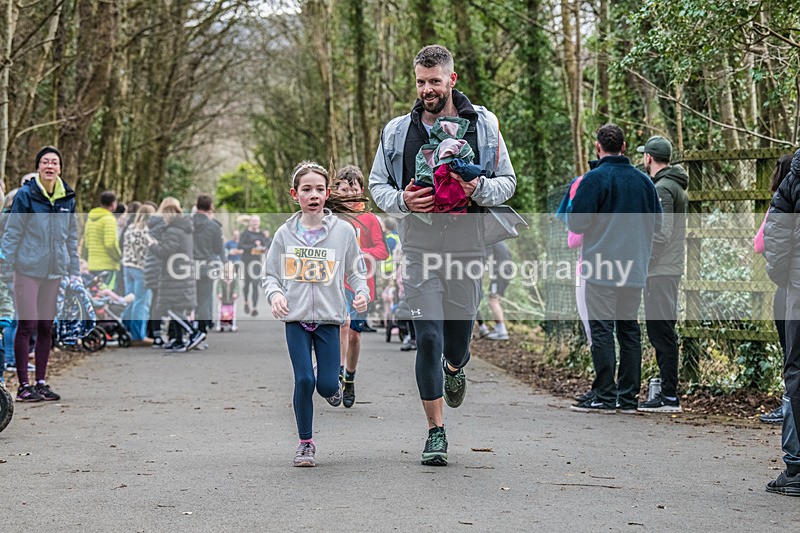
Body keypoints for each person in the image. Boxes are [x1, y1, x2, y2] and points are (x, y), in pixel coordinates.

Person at [369, 45, 516, 466]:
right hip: (418, 248)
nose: (427, 89)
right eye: (420, 81)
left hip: (468, 246)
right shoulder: (398, 131)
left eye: (435, 81)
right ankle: (436, 432)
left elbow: (508, 182)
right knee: (427, 337)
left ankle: (456, 368)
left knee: (456, 341)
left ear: (452, 79)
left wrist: (479, 189)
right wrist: (402, 201)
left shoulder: (483, 125)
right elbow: (378, 187)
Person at [264, 161, 369, 467]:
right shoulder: (285, 233)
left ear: (327, 194)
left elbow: (357, 271)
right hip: (295, 319)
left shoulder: (344, 231)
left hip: (328, 319)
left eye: (320, 189)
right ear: (294, 194)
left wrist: (361, 292)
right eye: (307, 189)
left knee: (325, 385)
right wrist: (276, 296)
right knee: (304, 381)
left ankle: (333, 386)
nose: (314, 195)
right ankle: (305, 444)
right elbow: (270, 274)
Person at [567, 124, 661, 414]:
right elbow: (657, 224)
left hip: (601, 267)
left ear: (598, 147)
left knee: (603, 329)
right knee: (629, 330)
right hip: (634, 268)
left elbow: (576, 223)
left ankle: (606, 396)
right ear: (624, 146)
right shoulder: (644, 182)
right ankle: (629, 397)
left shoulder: (594, 179)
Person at [1, 146, 81, 402]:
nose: (50, 166)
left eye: (54, 162)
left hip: (54, 271)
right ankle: (24, 386)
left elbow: (71, 237)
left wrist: (75, 271)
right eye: (45, 161)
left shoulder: (67, 197)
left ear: (60, 168)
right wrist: (5, 262)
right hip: (27, 269)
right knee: (27, 325)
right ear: (38, 167)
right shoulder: (26, 195)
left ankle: (42, 382)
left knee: (47, 327)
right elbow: (12, 232)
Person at [634, 136, 689, 413]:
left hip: (661, 270)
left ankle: (668, 396)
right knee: (662, 329)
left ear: (649, 158)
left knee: (662, 331)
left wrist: (644, 257)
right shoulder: (670, 184)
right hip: (665, 269)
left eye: (644, 155)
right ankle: (666, 392)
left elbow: (662, 232)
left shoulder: (664, 188)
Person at [331, 165, 389, 408]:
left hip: (361, 284)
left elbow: (383, 251)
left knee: (354, 334)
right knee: (341, 326)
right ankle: (337, 373)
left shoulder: (369, 219)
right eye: (344, 188)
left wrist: (358, 253)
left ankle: (350, 377)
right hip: (336, 282)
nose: (349, 193)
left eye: (354, 187)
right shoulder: (332, 218)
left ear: (361, 190)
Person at [763, 147, 800, 495]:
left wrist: (786, 280)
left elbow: (772, 237)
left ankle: (797, 466)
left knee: (796, 371)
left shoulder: (793, 180)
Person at [755, 154, 793, 424]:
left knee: (791, 354)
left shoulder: (783, 198)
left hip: (789, 285)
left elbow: (760, 243)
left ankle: (788, 407)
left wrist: (778, 274)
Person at [149, 204, 205, 353]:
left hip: (174, 276)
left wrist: (152, 245)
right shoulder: (185, 230)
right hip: (182, 274)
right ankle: (179, 340)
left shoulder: (173, 231)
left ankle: (193, 333)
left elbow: (166, 251)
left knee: (173, 309)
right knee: (177, 308)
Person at [143, 197, 180, 347]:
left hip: (151, 266)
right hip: (161, 268)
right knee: (165, 302)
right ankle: (163, 334)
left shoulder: (152, 224)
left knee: (155, 302)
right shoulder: (166, 226)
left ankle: (154, 333)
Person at [121, 204, 156, 343]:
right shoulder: (146, 231)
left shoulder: (130, 228)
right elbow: (153, 248)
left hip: (127, 266)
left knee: (129, 300)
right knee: (141, 302)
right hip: (141, 268)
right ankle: (138, 335)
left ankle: (126, 330)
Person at [193, 194, 224, 338]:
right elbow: (218, 249)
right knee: (204, 301)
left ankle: (186, 330)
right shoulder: (214, 226)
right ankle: (201, 332)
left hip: (185, 267)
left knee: (187, 300)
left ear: (196, 205)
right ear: (210, 207)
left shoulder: (187, 222)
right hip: (206, 266)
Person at [84, 190, 122, 289]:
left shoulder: (90, 218)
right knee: (106, 297)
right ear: (113, 204)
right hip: (107, 265)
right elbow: (110, 244)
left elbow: (87, 242)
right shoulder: (109, 219)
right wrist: (118, 257)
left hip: (92, 264)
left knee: (96, 296)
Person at [239, 215, 270, 317]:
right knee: (247, 284)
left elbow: (267, 244)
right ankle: (246, 302)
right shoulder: (245, 233)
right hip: (246, 261)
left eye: (257, 221)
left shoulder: (262, 234)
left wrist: (264, 245)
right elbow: (240, 246)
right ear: (250, 222)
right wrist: (253, 245)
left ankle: (254, 307)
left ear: (259, 223)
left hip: (257, 263)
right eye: (253, 221)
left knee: (255, 284)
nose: (255, 223)